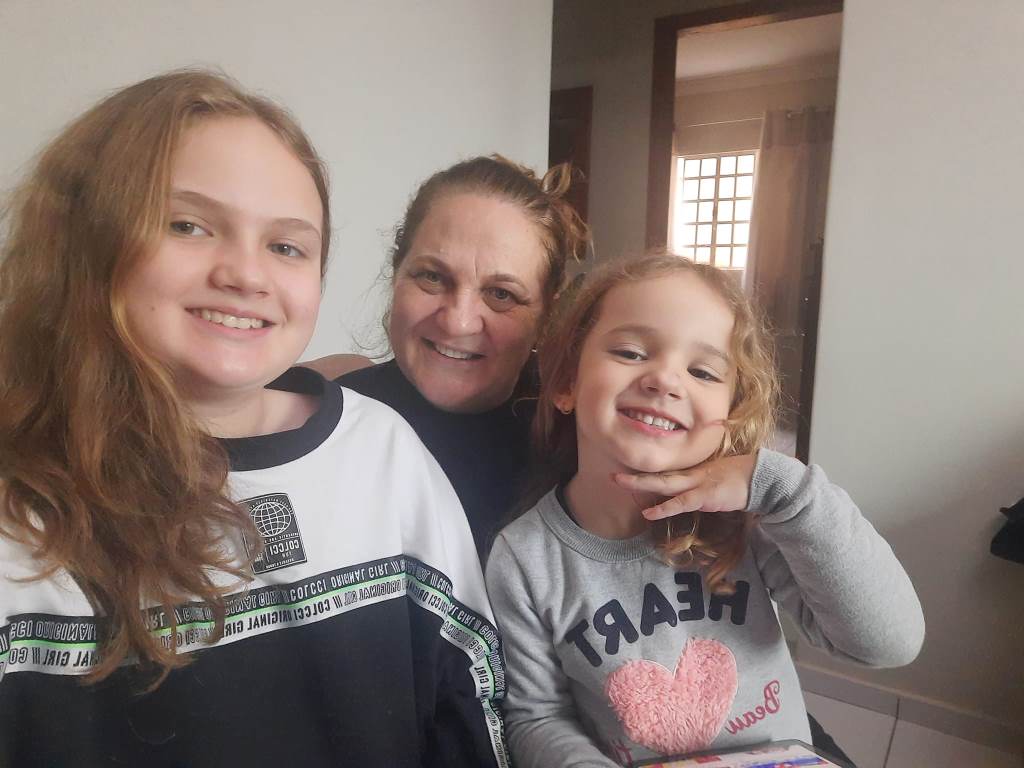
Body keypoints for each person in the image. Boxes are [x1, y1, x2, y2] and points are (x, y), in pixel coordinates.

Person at [0, 70, 506, 768]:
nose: (246, 274)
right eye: (188, 225)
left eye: (286, 246)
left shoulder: (381, 452)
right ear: (84, 243)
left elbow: (468, 698)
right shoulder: (20, 509)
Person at [484, 253, 925, 768]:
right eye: (630, 352)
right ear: (566, 383)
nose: (666, 380)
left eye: (702, 371)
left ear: (731, 414)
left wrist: (787, 492)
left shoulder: (752, 523)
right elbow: (537, 716)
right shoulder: (523, 557)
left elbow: (889, 644)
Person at [307, 154, 590, 558]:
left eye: (501, 294)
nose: (458, 322)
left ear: (547, 314)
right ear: (396, 271)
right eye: (433, 277)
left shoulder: (584, 439)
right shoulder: (321, 421)